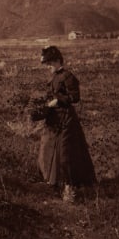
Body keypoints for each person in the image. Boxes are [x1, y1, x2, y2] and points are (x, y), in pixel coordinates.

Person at [36, 45, 96, 201]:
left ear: (57, 61)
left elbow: (75, 97)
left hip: (67, 120)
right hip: (54, 119)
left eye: (50, 63)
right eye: (46, 64)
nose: (48, 67)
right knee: (49, 150)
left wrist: (58, 100)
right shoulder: (55, 76)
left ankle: (70, 189)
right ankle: (56, 185)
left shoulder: (68, 76)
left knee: (66, 154)